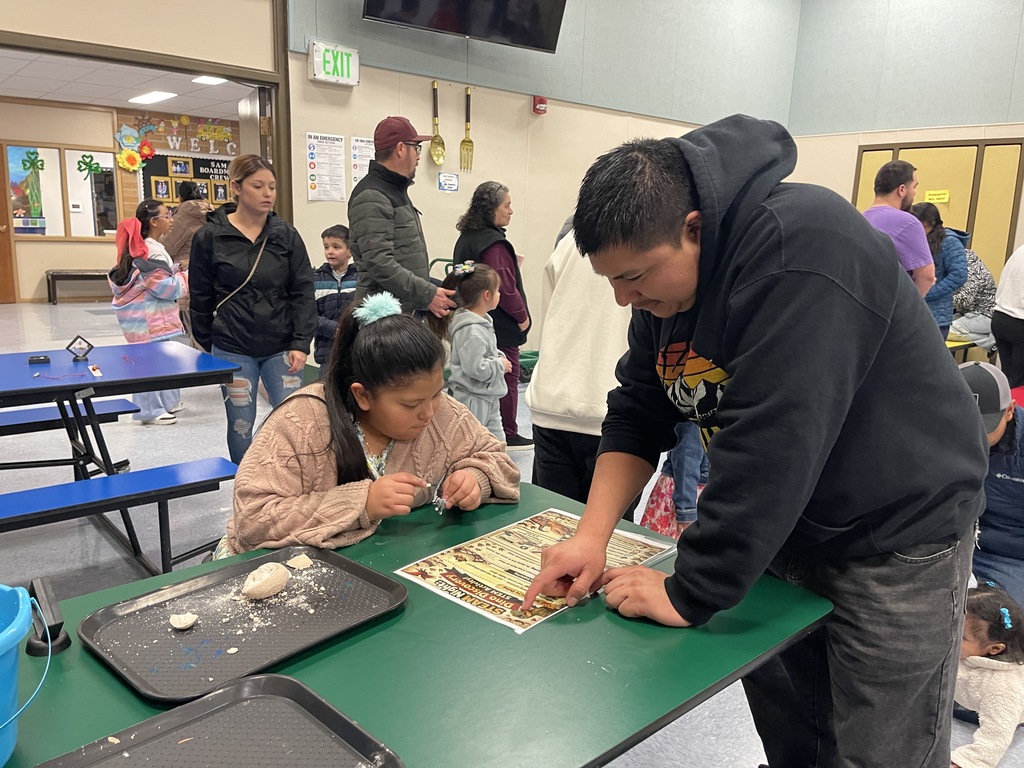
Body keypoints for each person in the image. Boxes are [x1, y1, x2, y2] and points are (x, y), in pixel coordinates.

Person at [521, 115, 989, 768]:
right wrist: (591, 536)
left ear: (693, 229)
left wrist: (690, 591)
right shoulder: (663, 297)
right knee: (796, 734)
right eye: (612, 282)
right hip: (786, 525)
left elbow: (773, 451)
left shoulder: (801, 248)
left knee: (881, 751)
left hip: (897, 530)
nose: (625, 298)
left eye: (636, 276)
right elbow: (637, 411)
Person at [222, 293, 520, 555]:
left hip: (389, 566)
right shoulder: (302, 421)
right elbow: (254, 519)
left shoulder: (440, 412)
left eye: (437, 393)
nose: (429, 412)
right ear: (362, 395)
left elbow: (495, 458)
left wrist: (474, 478)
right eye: (411, 404)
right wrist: (362, 503)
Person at [189, 154, 316, 464]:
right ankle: (247, 488)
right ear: (236, 187)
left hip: (281, 346)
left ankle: (289, 481)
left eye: (272, 187)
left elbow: (302, 290)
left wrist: (301, 342)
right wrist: (209, 345)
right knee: (241, 423)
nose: (267, 193)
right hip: (232, 346)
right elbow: (200, 296)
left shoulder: (285, 235)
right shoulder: (210, 237)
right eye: (258, 186)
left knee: (293, 421)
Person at [525, 219, 635, 516]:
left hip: (553, 399)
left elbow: (549, 320)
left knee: (550, 527)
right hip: (615, 405)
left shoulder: (570, 239)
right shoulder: (649, 236)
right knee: (612, 538)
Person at [347, 116, 456, 317]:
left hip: (401, 312)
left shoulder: (393, 190)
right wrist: (427, 294)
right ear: (400, 149)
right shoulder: (372, 196)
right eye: (416, 147)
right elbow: (380, 263)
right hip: (384, 318)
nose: (418, 157)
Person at [452, 181, 533, 450]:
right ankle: (509, 432)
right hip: (500, 322)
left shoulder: (466, 237)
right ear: (491, 210)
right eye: (506, 205)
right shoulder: (494, 244)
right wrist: (522, 317)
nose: (511, 211)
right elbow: (505, 286)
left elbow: (460, 273)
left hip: (474, 311)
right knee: (508, 374)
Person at [108, 200, 188, 425]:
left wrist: (174, 270)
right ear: (154, 221)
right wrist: (186, 276)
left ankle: (167, 403)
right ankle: (149, 411)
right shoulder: (150, 251)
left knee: (163, 361)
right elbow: (167, 287)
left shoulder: (146, 247)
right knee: (149, 364)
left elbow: (155, 278)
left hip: (149, 317)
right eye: (167, 215)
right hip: (149, 318)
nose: (171, 220)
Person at [960, 361, 1024, 607]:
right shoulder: (935, 431)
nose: (972, 435)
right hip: (952, 547)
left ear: (1009, 410)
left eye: (983, 426)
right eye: (963, 422)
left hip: (1010, 558)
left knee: (999, 625)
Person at [426, 261, 510, 441]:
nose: (499, 294)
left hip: (486, 395)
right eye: (497, 290)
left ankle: (498, 467)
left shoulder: (482, 322)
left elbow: (486, 353)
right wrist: (499, 365)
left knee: (497, 442)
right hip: (473, 398)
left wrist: (498, 358)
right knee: (473, 442)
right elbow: (475, 368)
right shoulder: (472, 330)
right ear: (487, 295)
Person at [951, 584, 1024, 768]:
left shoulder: (1002, 688)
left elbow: (996, 736)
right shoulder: (962, 648)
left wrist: (968, 762)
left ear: (994, 649)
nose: (949, 635)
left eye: (962, 636)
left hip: (1008, 709)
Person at [863, 159, 936, 296]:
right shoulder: (908, 223)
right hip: (891, 308)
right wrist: (912, 308)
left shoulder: (861, 218)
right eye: (914, 187)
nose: (914, 193)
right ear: (902, 190)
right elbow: (927, 276)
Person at [162, 180, 213, 347]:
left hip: (188, 273)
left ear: (180, 196)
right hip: (211, 271)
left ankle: (200, 365)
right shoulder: (211, 213)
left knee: (194, 327)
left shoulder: (182, 217)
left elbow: (167, 247)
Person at [909, 202, 968, 339]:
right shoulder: (918, 239)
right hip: (915, 311)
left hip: (937, 316)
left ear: (926, 223)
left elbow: (959, 275)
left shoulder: (949, 242)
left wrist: (927, 292)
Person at [313, 224, 357, 370]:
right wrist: (335, 329)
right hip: (327, 353)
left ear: (350, 251)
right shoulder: (316, 279)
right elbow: (310, 315)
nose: (330, 252)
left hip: (356, 348)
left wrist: (349, 329)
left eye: (336, 247)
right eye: (326, 247)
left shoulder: (361, 278)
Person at [952, 249, 998, 350]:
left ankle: (990, 341)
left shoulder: (972, 270)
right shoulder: (965, 263)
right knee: (938, 327)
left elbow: (965, 300)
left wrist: (941, 299)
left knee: (947, 332)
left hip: (986, 316)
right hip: (969, 313)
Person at [992, 244, 1024, 388]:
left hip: (1000, 317)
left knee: (1008, 380)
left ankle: (1006, 410)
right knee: (1019, 384)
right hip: (1019, 321)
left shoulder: (1020, 250)